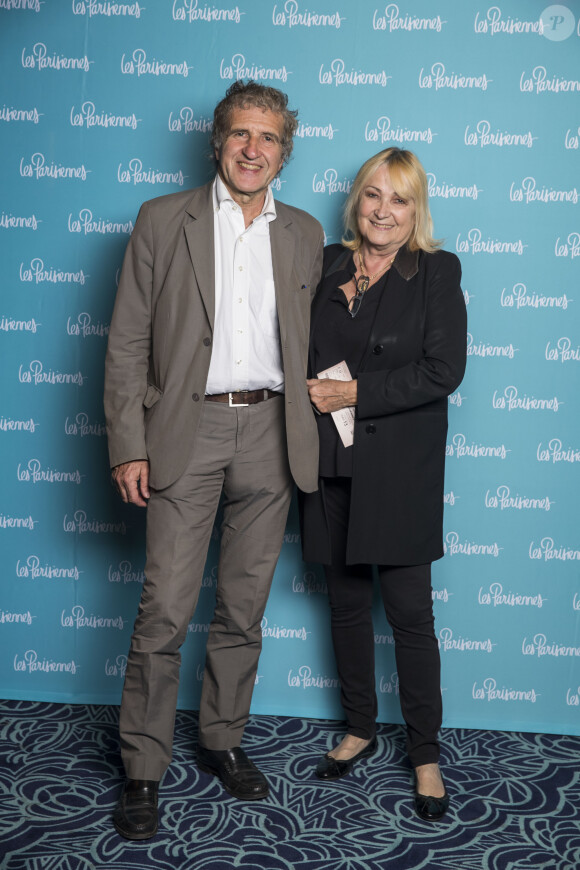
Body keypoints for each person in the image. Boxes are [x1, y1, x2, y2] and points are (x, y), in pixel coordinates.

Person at [104, 80, 323, 840]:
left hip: (271, 429)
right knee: (165, 607)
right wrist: (128, 443)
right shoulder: (164, 220)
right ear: (217, 141)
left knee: (243, 608)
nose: (253, 149)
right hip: (184, 431)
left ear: (284, 151)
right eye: (240, 135)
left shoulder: (303, 231)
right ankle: (141, 766)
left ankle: (224, 739)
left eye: (267, 138)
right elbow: (128, 340)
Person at [301, 147, 467, 822]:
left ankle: (424, 753)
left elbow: (441, 371)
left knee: (409, 617)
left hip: (399, 472)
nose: (384, 211)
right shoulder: (324, 265)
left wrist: (352, 390)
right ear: (356, 201)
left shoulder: (435, 270)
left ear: (416, 209)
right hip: (330, 465)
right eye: (373, 195)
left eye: (399, 199)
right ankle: (360, 729)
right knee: (343, 607)